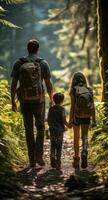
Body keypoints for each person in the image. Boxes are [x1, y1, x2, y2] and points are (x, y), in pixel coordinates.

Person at [11, 39, 53, 168]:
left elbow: (13, 84)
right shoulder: (43, 63)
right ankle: (39, 155)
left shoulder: (19, 63)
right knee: (40, 127)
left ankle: (32, 160)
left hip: (24, 100)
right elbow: (48, 83)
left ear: (27, 49)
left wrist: (13, 101)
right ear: (37, 49)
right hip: (39, 100)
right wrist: (51, 99)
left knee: (28, 129)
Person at [69, 72, 96, 169]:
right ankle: (84, 151)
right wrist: (94, 120)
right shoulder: (89, 89)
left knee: (76, 137)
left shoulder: (73, 90)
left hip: (77, 116)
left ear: (74, 80)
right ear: (84, 80)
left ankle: (76, 159)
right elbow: (92, 106)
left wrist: (70, 120)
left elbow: (72, 106)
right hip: (87, 116)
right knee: (85, 136)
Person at [48, 93, 69, 170]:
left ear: (53, 100)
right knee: (59, 147)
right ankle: (58, 163)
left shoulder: (51, 109)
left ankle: (52, 155)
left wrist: (50, 126)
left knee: (53, 145)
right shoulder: (62, 109)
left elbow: (48, 119)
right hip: (60, 130)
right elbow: (64, 120)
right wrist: (69, 126)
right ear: (62, 101)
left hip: (52, 130)